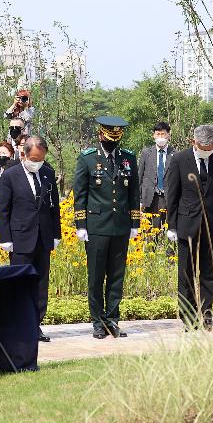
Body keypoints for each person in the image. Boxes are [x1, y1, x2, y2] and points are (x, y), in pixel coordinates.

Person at [72, 116, 140, 340]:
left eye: (116, 139)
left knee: (117, 277)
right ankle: (97, 322)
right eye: (109, 138)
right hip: (96, 227)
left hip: (120, 227)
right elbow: (80, 195)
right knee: (96, 277)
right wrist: (81, 224)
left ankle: (112, 320)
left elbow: (134, 194)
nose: (112, 143)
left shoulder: (128, 158)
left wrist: (135, 222)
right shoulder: (88, 159)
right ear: (101, 135)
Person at [164, 124, 213, 330]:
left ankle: (207, 316)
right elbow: (172, 195)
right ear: (193, 142)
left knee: (209, 273)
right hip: (187, 225)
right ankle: (189, 318)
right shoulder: (179, 160)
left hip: (212, 225)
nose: (207, 151)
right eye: (204, 148)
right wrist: (172, 225)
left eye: (210, 147)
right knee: (186, 273)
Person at [0, 136, 61, 342]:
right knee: (20, 283)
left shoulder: (48, 174)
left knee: (41, 284)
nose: (37, 163)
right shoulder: (10, 175)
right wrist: (5, 238)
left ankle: (36, 324)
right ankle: (18, 325)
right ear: (23, 154)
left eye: (41, 159)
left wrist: (56, 234)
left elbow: (54, 207)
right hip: (20, 238)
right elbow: (3, 209)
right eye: (34, 158)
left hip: (43, 237)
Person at [137, 122, 175, 231]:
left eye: (163, 134)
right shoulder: (146, 153)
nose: (160, 137)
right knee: (149, 232)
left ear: (168, 135)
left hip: (167, 198)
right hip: (149, 198)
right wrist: (139, 200)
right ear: (153, 135)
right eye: (158, 134)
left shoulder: (175, 154)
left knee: (167, 230)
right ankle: (151, 248)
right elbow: (139, 177)